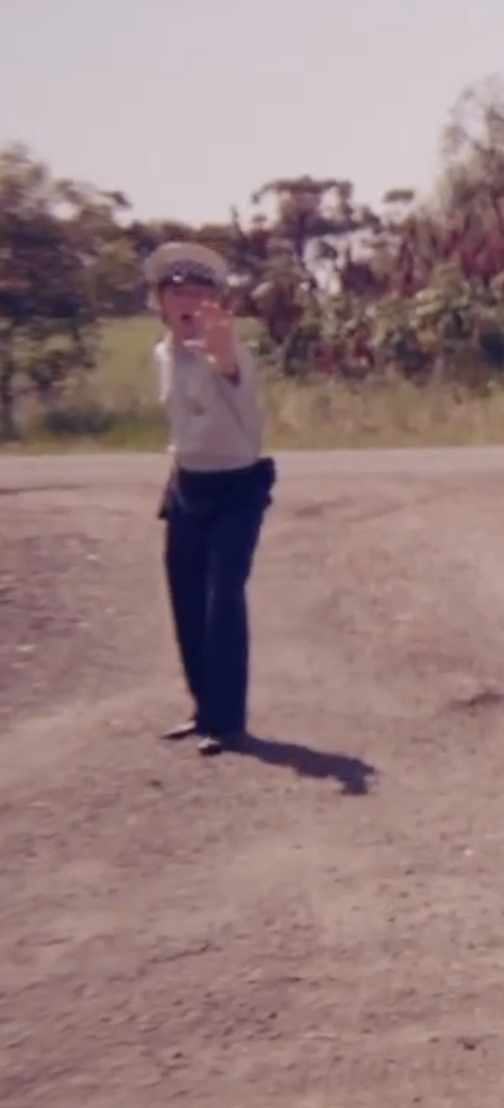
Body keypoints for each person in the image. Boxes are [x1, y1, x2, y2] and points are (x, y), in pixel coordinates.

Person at [144, 240, 277, 757]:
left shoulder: (229, 351)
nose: (190, 301)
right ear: (158, 301)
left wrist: (221, 355)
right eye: (178, 291)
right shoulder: (162, 354)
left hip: (236, 487)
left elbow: (229, 369)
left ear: (216, 303)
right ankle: (203, 709)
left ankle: (227, 720)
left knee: (223, 599)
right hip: (187, 482)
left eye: (202, 292)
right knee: (187, 597)